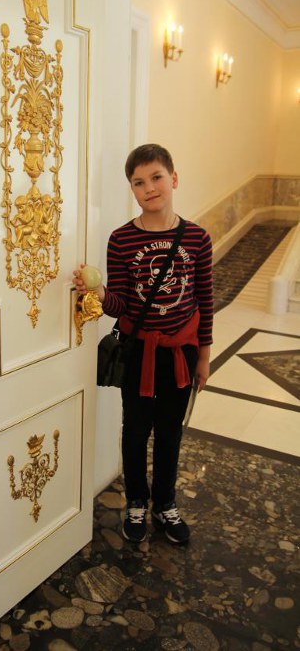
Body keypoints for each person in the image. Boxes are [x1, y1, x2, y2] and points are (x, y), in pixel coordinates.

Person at [73, 144, 213, 544]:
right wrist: (99, 294)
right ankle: (136, 500)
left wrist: (204, 357)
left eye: (156, 177)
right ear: (132, 189)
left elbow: (205, 301)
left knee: (170, 433)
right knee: (134, 431)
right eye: (138, 182)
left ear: (173, 179)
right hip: (138, 353)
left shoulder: (197, 238)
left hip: (181, 355)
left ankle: (165, 504)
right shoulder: (121, 240)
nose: (149, 188)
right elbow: (120, 305)